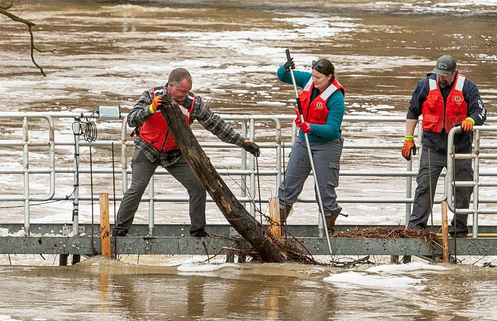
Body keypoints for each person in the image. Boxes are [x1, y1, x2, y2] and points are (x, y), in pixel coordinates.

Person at [115, 68, 261, 238]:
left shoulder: (193, 103)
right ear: (170, 86)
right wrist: (151, 108)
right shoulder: (150, 95)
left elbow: (215, 124)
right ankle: (120, 230)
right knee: (137, 188)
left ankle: (198, 231)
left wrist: (242, 142)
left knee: (198, 187)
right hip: (147, 149)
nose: (185, 95)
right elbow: (132, 120)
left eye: (187, 91)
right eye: (181, 91)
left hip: (175, 153)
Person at [403, 55, 486, 237]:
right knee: (424, 186)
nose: (441, 78)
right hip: (432, 146)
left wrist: (471, 120)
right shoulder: (425, 85)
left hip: (460, 147)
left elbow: (481, 111)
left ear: (454, 73)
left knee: (463, 189)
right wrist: (409, 138)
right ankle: (416, 227)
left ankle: (459, 229)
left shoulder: (468, 87)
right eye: (438, 74)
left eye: (445, 75)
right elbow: (413, 111)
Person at [276, 57, 346, 233]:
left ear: (329, 77)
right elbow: (283, 77)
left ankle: (329, 225)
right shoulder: (308, 80)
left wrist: (311, 127)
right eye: (313, 76)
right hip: (303, 141)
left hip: (327, 145)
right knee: (290, 182)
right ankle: (277, 226)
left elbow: (332, 129)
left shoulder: (336, 98)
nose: (314, 81)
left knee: (324, 188)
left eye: (319, 78)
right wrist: (285, 69)